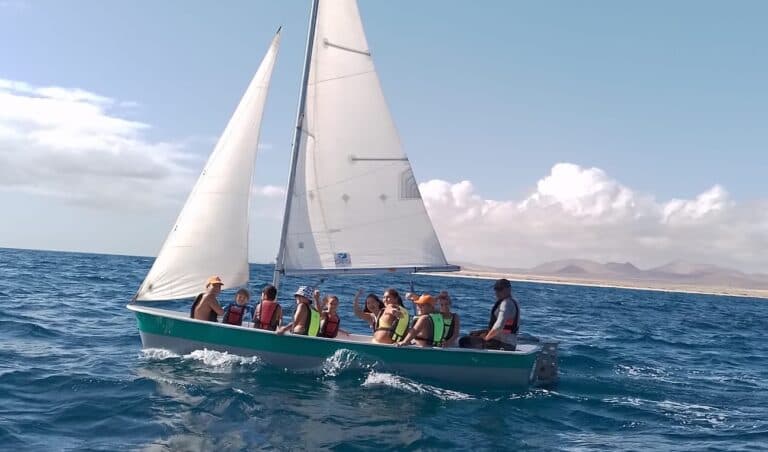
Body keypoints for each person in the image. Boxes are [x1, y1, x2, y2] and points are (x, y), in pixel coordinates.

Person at [459, 278, 519, 350]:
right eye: (496, 289)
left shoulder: (506, 304)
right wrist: (482, 333)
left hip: (504, 344)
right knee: (473, 334)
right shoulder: (513, 301)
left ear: (509, 289)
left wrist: (485, 339)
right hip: (507, 342)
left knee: (464, 341)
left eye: (500, 289)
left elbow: (499, 326)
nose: (497, 292)